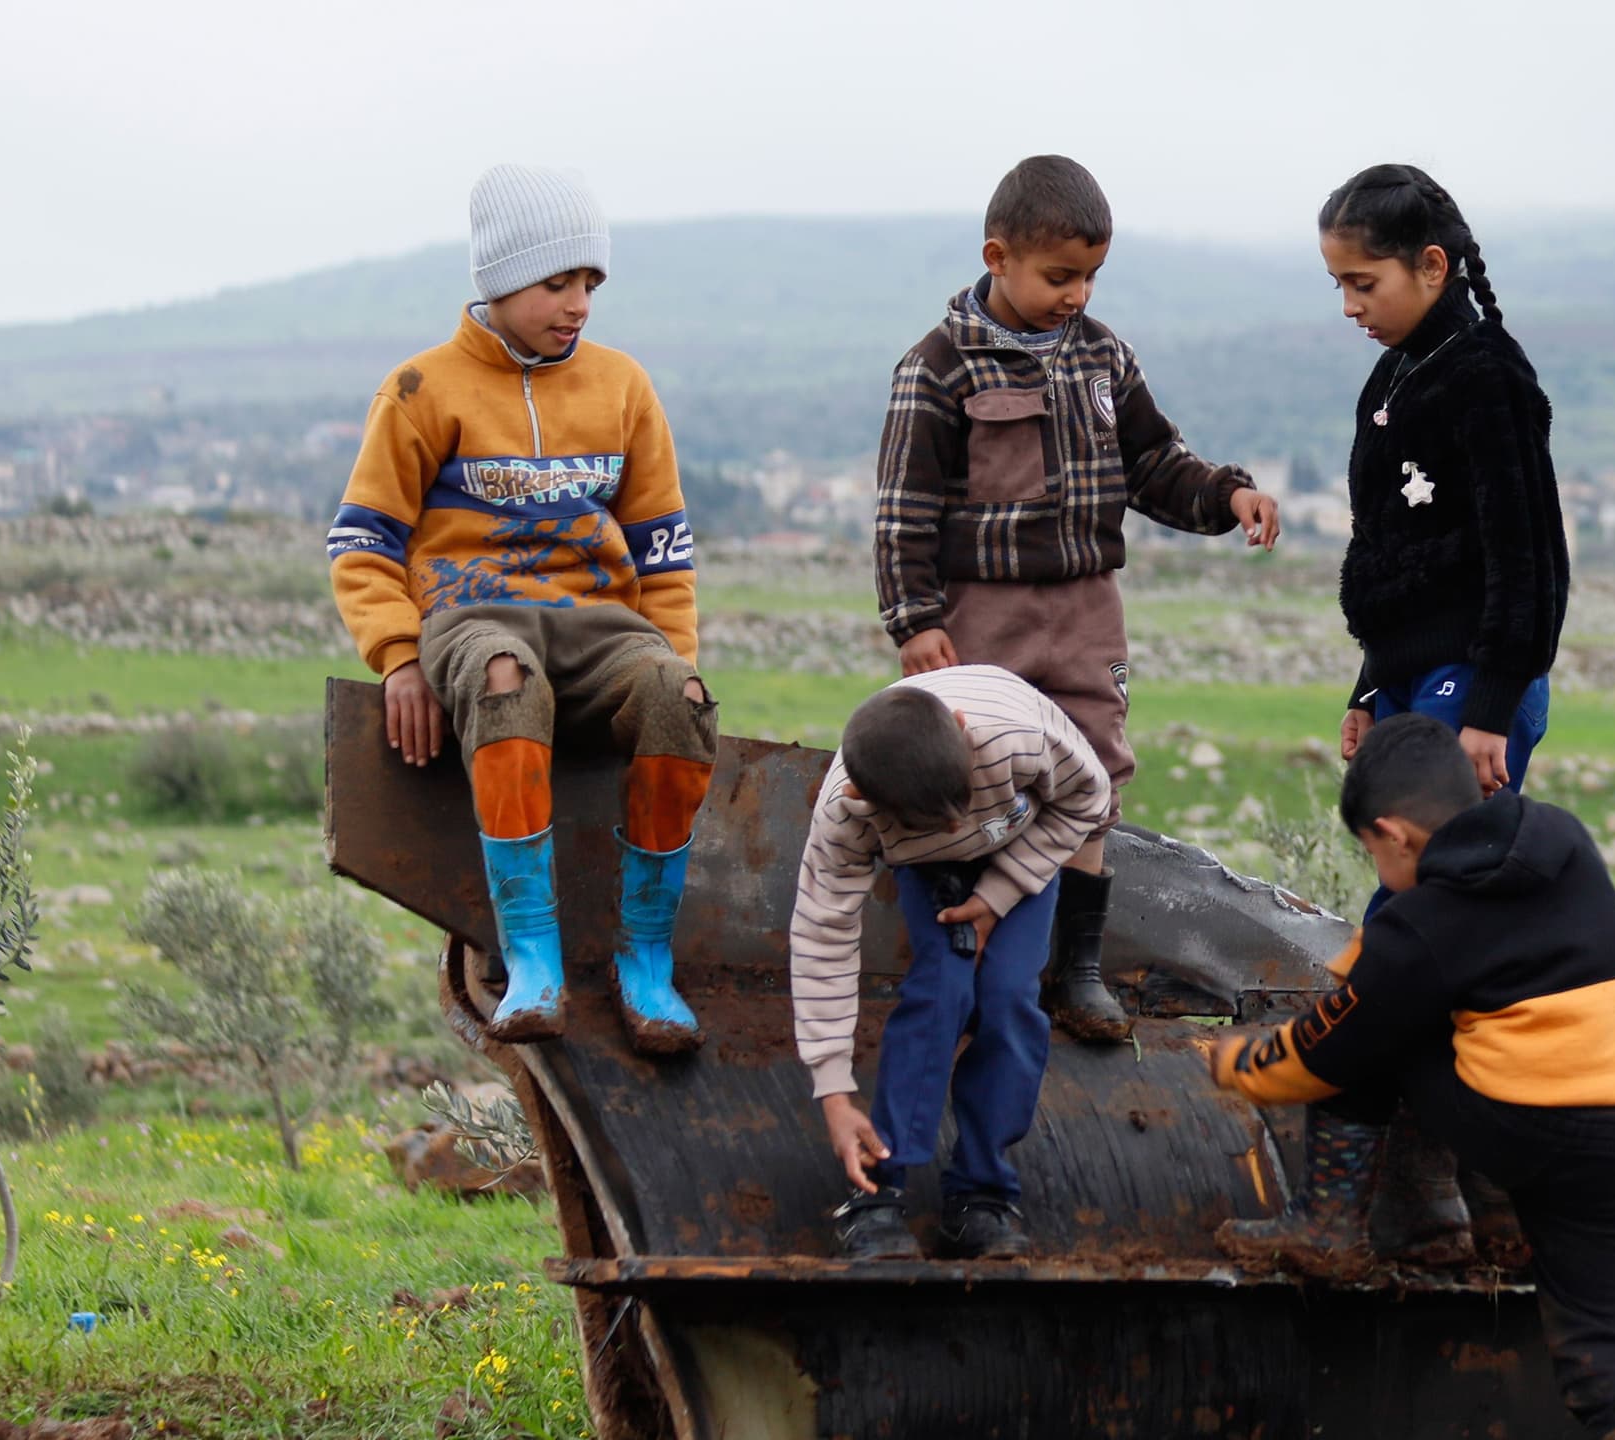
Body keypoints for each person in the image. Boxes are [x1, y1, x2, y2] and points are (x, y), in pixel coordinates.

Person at [874, 154, 1284, 1046]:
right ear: (998, 257)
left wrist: (1227, 496)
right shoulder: (938, 367)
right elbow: (904, 509)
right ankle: (964, 953)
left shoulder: (1103, 356)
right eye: (1060, 276)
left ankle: (1079, 968)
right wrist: (917, 621)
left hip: (1088, 605)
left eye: (1092, 276)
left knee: (1092, 768)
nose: (1078, 294)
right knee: (977, 768)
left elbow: (1155, 463)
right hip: (983, 611)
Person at [326, 162, 714, 1054]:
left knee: (681, 698)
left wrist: (675, 661)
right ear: (499, 280)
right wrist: (399, 658)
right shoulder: (421, 390)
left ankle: (645, 960)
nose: (578, 305)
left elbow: (663, 548)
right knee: (505, 677)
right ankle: (532, 958)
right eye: (556, 283)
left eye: (591, 284)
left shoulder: (622, 387)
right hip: (472, 617)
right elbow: (363, 543)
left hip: (603, 626)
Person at [1206, 715, 1615, 1440]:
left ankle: (1327, 1227)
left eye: (1371, 852)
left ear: (1393, 835)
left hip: (1519, 1125)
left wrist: (1233, 1063)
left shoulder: (1420, 924)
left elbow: (1325, 1053)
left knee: (1374, 1032)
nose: (1377, 868)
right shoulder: (1562, 840)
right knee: (1598, 1346)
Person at [790, 669, 1110, 1260]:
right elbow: (822, 937)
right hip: (926, 862)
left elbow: (1088, 798)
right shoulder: (846, 812)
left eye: (959, 807)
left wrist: (998, 896)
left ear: (963, 731)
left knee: (1010, 997)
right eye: (939, 822)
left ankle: (981, 1195)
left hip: (1021, 845)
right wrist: (833, 1092)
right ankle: (877, 1196)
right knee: (941, 990)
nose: (959, 826)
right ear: (864, 799)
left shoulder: (1018, 737)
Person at [1320, 164, 1569, 804]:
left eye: (1364, 284)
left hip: (1474, 679)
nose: (1349, 306)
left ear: (1432, 266)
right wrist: (1370, 688)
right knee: (1400, 849)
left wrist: (1490, 710)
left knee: (1447, 854)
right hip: (1404, 678)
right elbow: (1384, 551)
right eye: (1339, 285)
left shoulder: (1488, 376)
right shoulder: (1391, 377)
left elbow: (1529, 559)